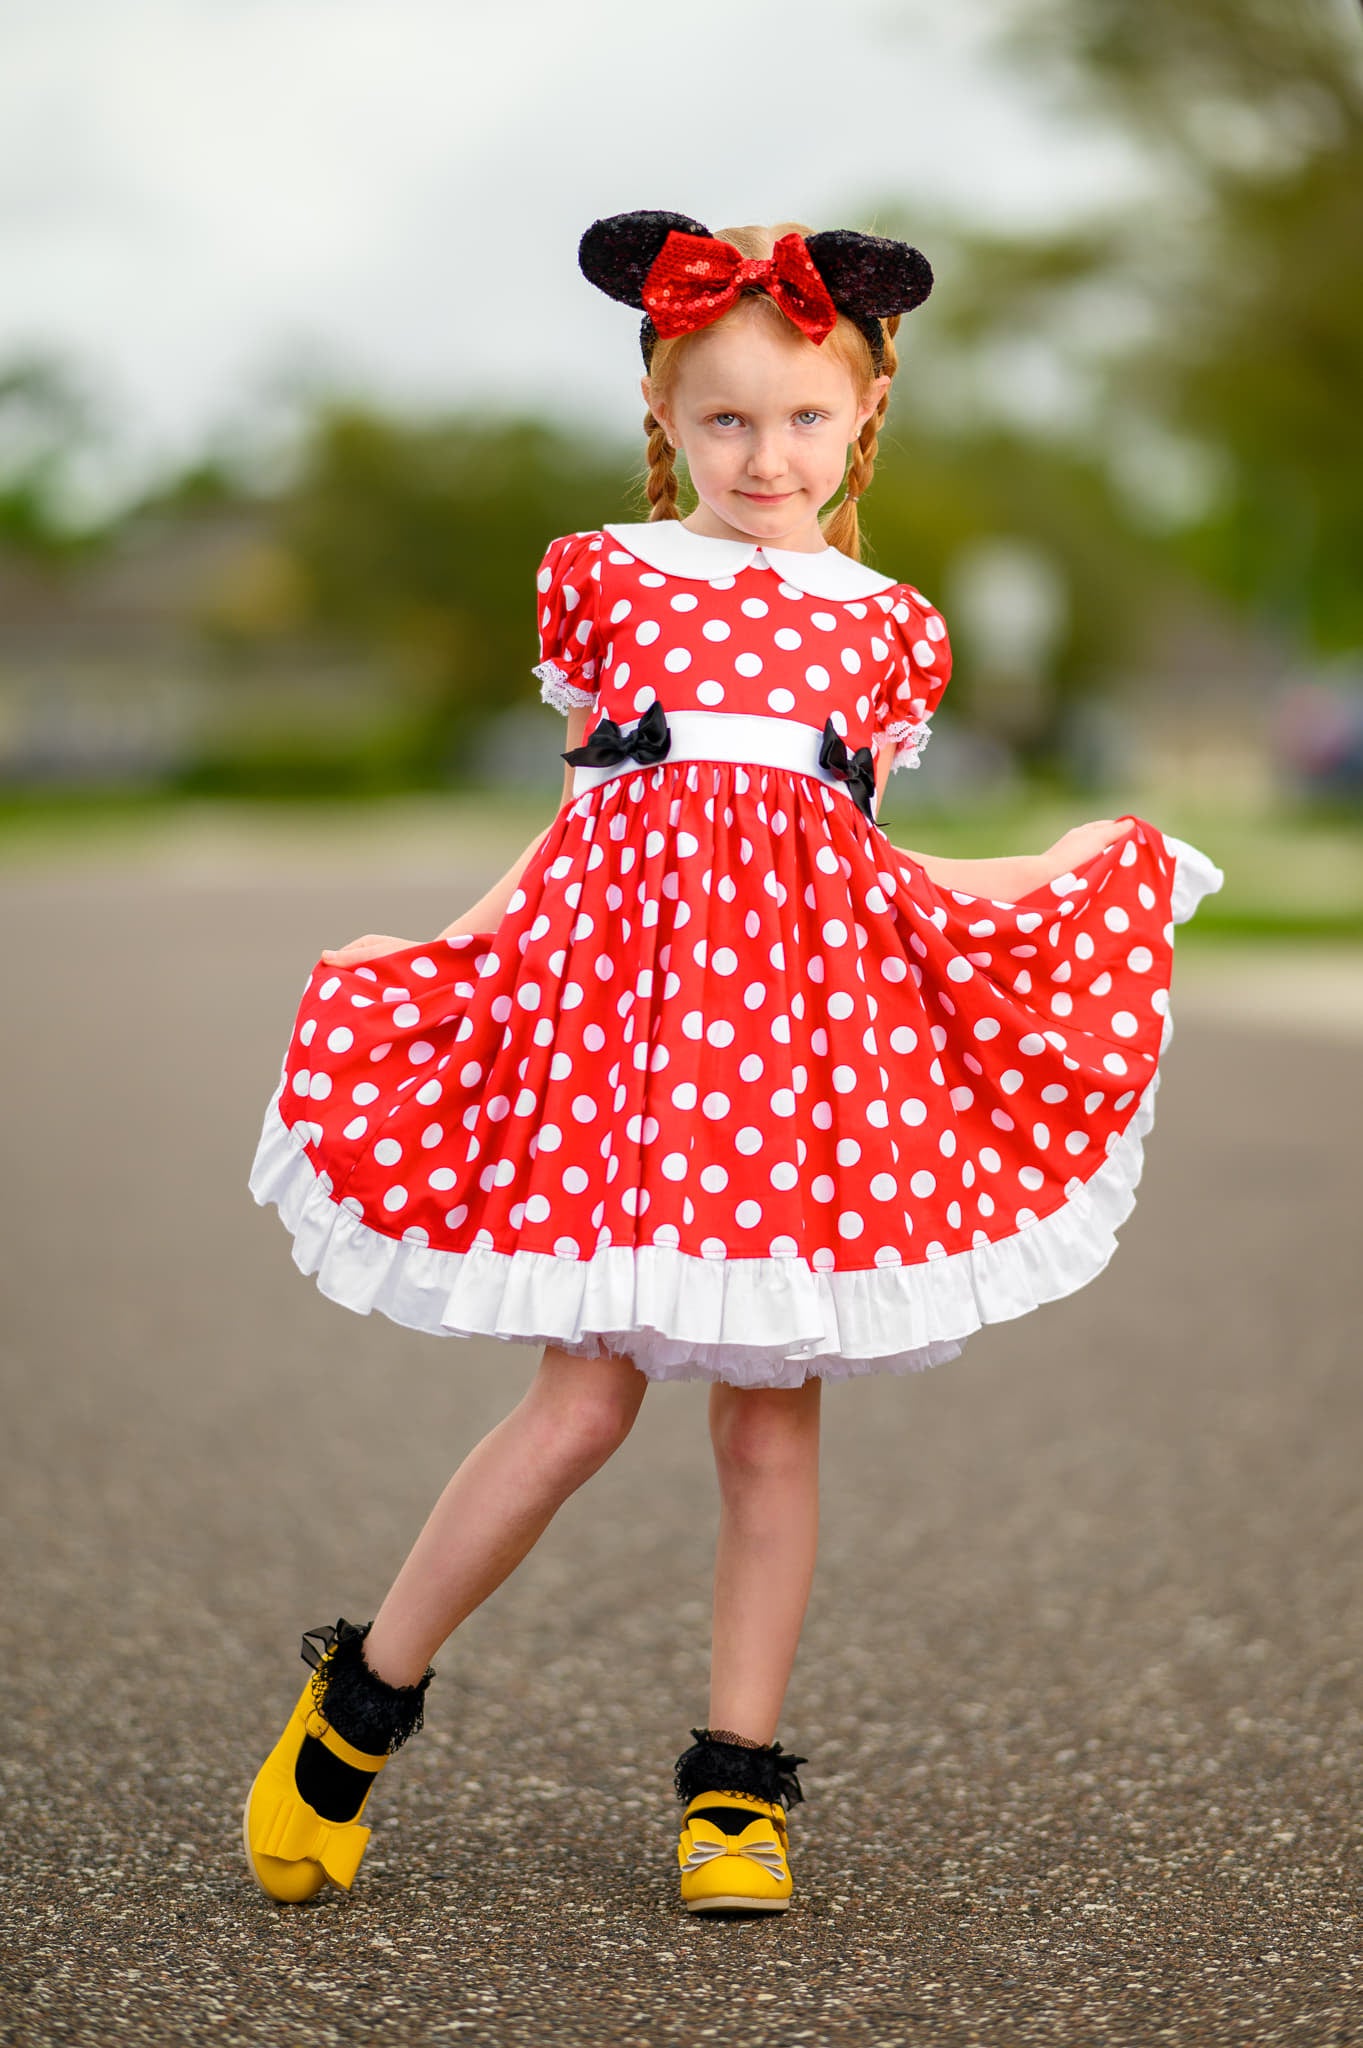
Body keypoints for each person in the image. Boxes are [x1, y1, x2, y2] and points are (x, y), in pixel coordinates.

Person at [241, 210, 1224, 1916]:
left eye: (803, 419)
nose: (766, 455)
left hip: (802, 1065)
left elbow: (860, 864)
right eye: (726, 419)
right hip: (624, 1048)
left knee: (772, 1431)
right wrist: (449, 948)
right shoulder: (607, 576)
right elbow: (575, 821)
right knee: (578, 1405)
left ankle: (736, 1791)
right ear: (665, 418)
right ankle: (358, 1702)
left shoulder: (887, 627)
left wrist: (1063, 871)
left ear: (861, 422)